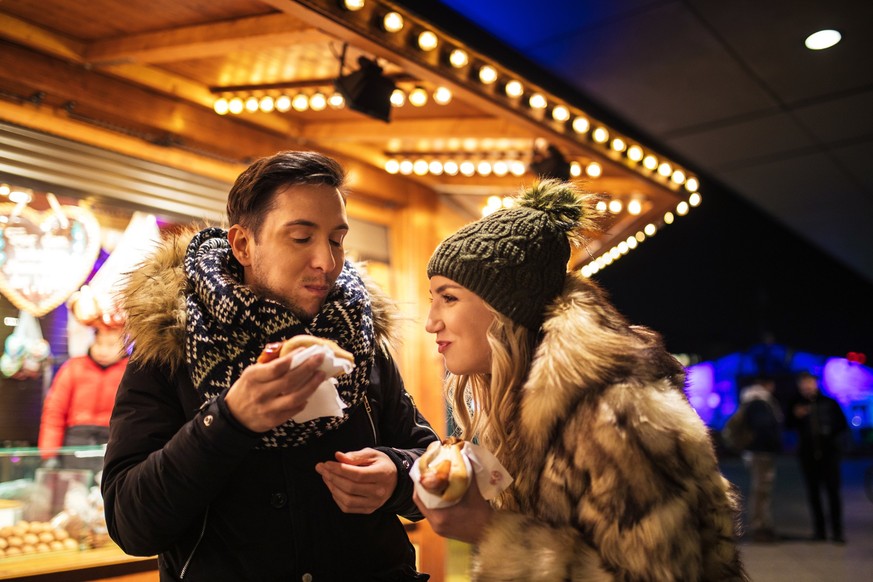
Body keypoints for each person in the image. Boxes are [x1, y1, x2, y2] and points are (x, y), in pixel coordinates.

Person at [101, 151, 437, 580]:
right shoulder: (171, 345)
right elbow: (132, 526)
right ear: (243, 244)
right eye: (301, 238)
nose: (327, 262)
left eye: (336, 239)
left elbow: (429, 461)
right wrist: (228, 419)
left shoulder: (361, 335)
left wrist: (398, 476)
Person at [416, 179, 747, 581]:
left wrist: (489, 529)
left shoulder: (617, 412)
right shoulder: (523, 404)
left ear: (507, 310)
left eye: (448, 298)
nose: (432, 321)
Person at [38, 324, 128, 472]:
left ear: (124, 344)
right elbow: (54, 412)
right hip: (75, 443)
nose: (103, 351)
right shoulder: (73, 367)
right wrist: (49, 455)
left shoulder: (131, 372)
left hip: (113, 443)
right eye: (98, 343)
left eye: (111, 345)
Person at [787, 371, 849, 543]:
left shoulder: (829, 403)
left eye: (810, 382)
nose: (807, 386)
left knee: (833, 493)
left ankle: (837, 531)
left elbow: (842, 425)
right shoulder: (796, 404)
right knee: (813, 494)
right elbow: (787, 426)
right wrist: (795, 416)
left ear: (816, 383)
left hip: (829, 455)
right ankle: (819, 531)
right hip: (808, 455)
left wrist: (834, 444)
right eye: (803, 383)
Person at [737, 376, 782, 543]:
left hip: (757, 451)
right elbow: (763, 428)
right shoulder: (760, 402)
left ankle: (761, 524)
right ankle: (759, 526)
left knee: (761, 489)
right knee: (761, 489)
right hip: (762, 451)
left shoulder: (751, 400)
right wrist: (773, 443)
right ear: (767, 384)